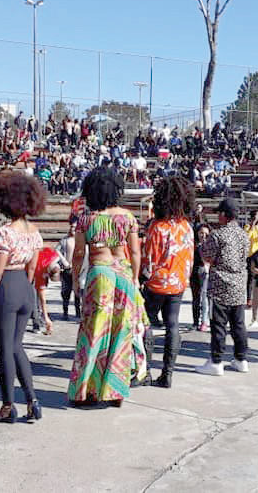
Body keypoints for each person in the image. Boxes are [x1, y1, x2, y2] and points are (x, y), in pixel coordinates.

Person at [68, 167, 148, 405]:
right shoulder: (128, 217)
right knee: (121, 332)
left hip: (99, 273)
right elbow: (135, 251)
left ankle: (86, 390)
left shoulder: (86, 219)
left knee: (93, 332)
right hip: (123, 274)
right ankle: (115, 390)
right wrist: (134, 278)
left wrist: (74, 279)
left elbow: (79, 253)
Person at [0, 171, 46, 421]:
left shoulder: (5, 232)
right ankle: (32, 400)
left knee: (4, 350)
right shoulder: (34, 231)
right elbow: (33, 269)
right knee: (17, 346)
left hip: (6, 289)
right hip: (25, 288)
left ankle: (7, 405)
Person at [141, 176, 195, 389]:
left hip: (157, 283)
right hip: (179, 283)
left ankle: (146, 371)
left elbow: (150, 260)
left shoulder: (157, 227)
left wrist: (141, 278)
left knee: (146, 323)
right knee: (173, 324)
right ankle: (168, 373)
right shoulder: (187, 227)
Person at [196, 198, 250, 376]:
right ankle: (241, 359)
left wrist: (201, 246)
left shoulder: (218, 235)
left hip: (220, 284)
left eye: (219, 213)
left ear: (224, 215)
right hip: (239, 284)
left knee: (218, 324)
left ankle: (216, 361)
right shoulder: (243, 235)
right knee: (239, 324)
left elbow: (206, 255)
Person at [32, 246, 64, 335]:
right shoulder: (40, 270)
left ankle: (41, 318)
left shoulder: (55, 256)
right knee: (34, 299)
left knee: (38, 298)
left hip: (38, 264)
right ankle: (36, 322)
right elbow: (43, 299)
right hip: (28, 272)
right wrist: (47, 317)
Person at [57, 221, 80, 320]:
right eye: (71, 227)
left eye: (75, 227)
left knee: (77, 292)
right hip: (67, 270)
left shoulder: (81, 240)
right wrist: (64, 261)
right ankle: (65, 311)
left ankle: (78, 312)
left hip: (78, 270)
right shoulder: (64, 240)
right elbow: (57, 251)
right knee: (66, 291)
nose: (72, 229)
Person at [190, 224, 211, 332]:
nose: (203, 235)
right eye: (201, 233)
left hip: (205, 272)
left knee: (205, 298)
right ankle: (195, 321)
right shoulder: (192, 244)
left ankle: (205, 321)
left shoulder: (210, 245)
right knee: (195, 298)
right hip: (194, 273)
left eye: (206, 233)